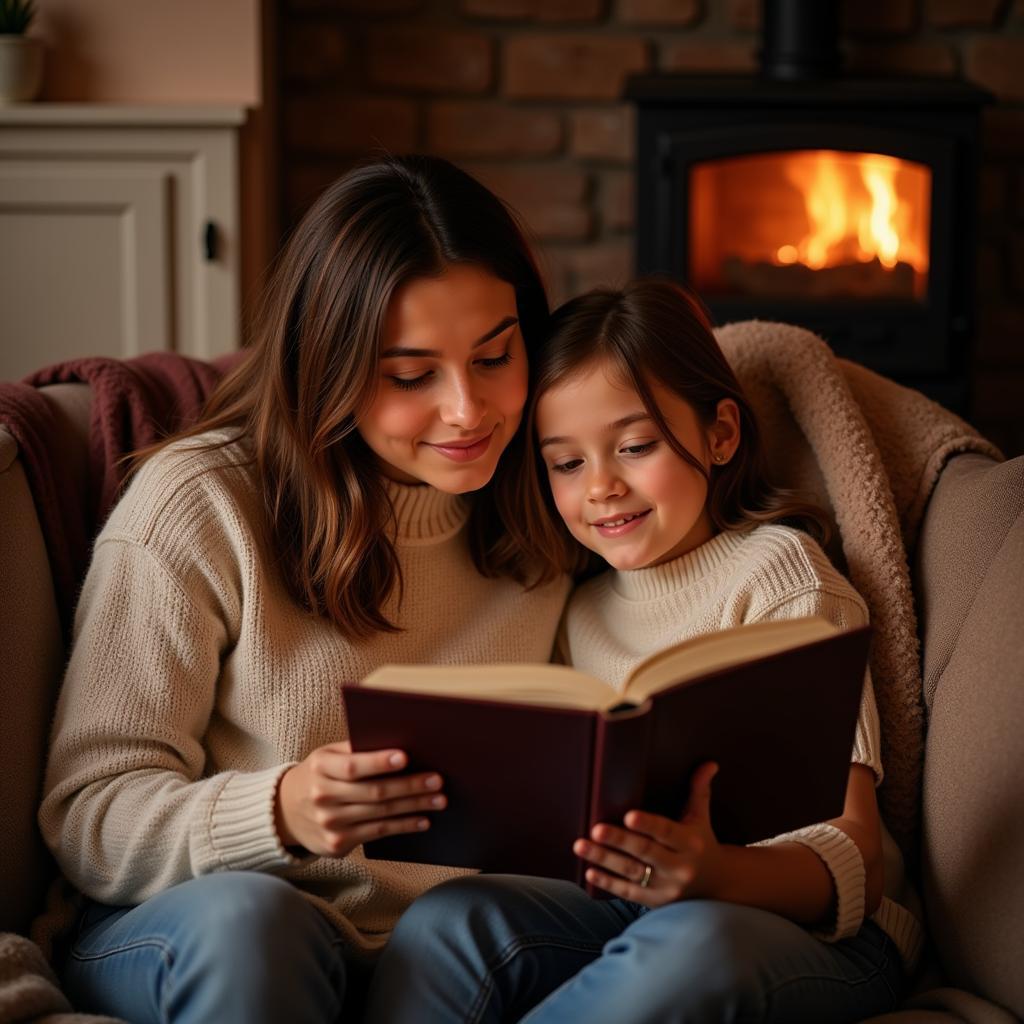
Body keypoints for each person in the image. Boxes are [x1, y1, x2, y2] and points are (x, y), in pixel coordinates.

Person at [36, 154, 570, 1024]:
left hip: (449, 946)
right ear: (329, 365)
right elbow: (89, 819)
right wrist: (277, 809)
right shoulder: (201, 502)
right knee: (257, 925)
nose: (469, 410)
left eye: (495, 355)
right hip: (205, 920)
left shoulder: (555, 491)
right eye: (410, 376)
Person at [364, 278, 923, 1024]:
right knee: (452, 918)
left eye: (634, 446)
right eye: (566, 463)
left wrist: (714, 871)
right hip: (630, 909)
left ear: (720, 434)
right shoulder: (578, 606)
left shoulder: (781, 576)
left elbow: (860, 857)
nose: (601, 487)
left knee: (692, 945)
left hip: (821, 933)